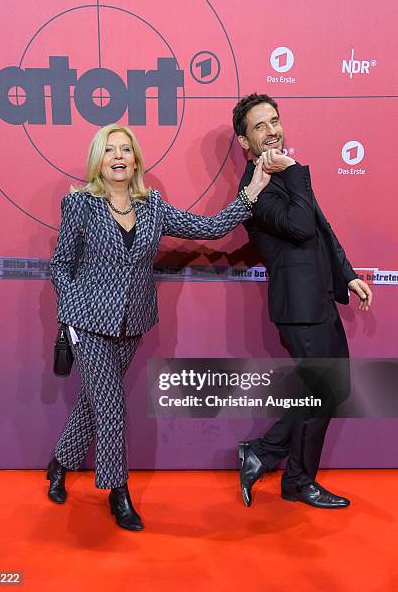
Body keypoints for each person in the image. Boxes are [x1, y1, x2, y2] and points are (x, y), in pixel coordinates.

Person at [48, 123, 269, 531]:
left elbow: (210, 228)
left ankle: (59, 463)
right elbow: (60, 264)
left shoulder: (153, 206)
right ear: (98, 159)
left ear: (135, 160)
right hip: (89, 322)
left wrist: (251, 192)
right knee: (111, 407)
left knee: (95, 403)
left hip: (133, 322)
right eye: (110, 150)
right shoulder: (79, 203)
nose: (118, 157)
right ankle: (119, 493)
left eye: (125, 150)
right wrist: (72, 309)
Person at [234, 93, 373, 509]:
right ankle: (296, 480)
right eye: (259, 126)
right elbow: (297, 226)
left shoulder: (286, 179)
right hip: (297, 309)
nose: (271, 130)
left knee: (333, 389)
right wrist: (293, 170)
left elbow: (321, 228)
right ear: (245, 142)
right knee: (320, 391)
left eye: (274, 121)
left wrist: (347, 275)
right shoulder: (254, 189)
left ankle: (263, 450)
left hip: (320, 301)